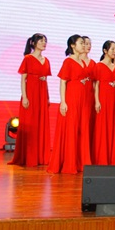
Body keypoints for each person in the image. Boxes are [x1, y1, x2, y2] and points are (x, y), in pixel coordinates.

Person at [9, 33, 51, 167]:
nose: (44, 43)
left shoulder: (46, 60)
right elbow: (23, 79)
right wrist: (25, 96)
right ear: (33, 43)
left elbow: (46, 80)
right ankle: (29, 156)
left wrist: (48, 97)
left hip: (42, 93)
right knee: (30, 123)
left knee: (41, 123)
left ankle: (41, 156)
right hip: (31, 93)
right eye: (41, 41)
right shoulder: (28, 58)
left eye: (45, 41)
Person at [47, 35, 88, 174]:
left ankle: (79, 162)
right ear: (72, 45)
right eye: (81, 43)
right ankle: (69, 163)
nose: (83, 45)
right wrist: (63, 102)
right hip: (72, 98)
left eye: (84, 43)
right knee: (71, 129)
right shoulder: (68, 61)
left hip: (83, 99)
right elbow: (63, 82)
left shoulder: (82, 61)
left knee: (81, 130)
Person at [92, 40, 115, 165]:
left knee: (113, 125)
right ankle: (101, 156)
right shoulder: (99, 66)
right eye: (112, 49)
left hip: (113, 98)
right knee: (102, 126)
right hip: (103, 97)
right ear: (105, 50)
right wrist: (97, 101)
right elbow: (96, 84)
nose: (114, 51)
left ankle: (112, 156)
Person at [79, 35, 95, 167]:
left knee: (88, 124)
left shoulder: (92, 63)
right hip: (78, 95)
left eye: (89, 44)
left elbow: (95, 82)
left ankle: (87, 154)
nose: (88, 46)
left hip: (90, 95)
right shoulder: (75, 61)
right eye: (85, 43)